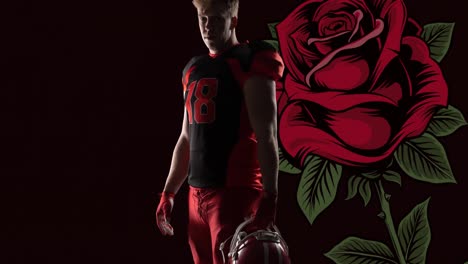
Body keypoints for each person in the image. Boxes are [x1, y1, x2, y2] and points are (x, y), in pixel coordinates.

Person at [155, 0, 284, 263]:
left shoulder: (249, 61)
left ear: (233, 20)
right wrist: (169, 193)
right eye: (203, 18)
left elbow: (267, 135)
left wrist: (270, 196)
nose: (207, 27)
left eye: (216, 19)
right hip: (196, 195)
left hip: (235, 194)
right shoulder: (193, 69)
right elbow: (185, 138)